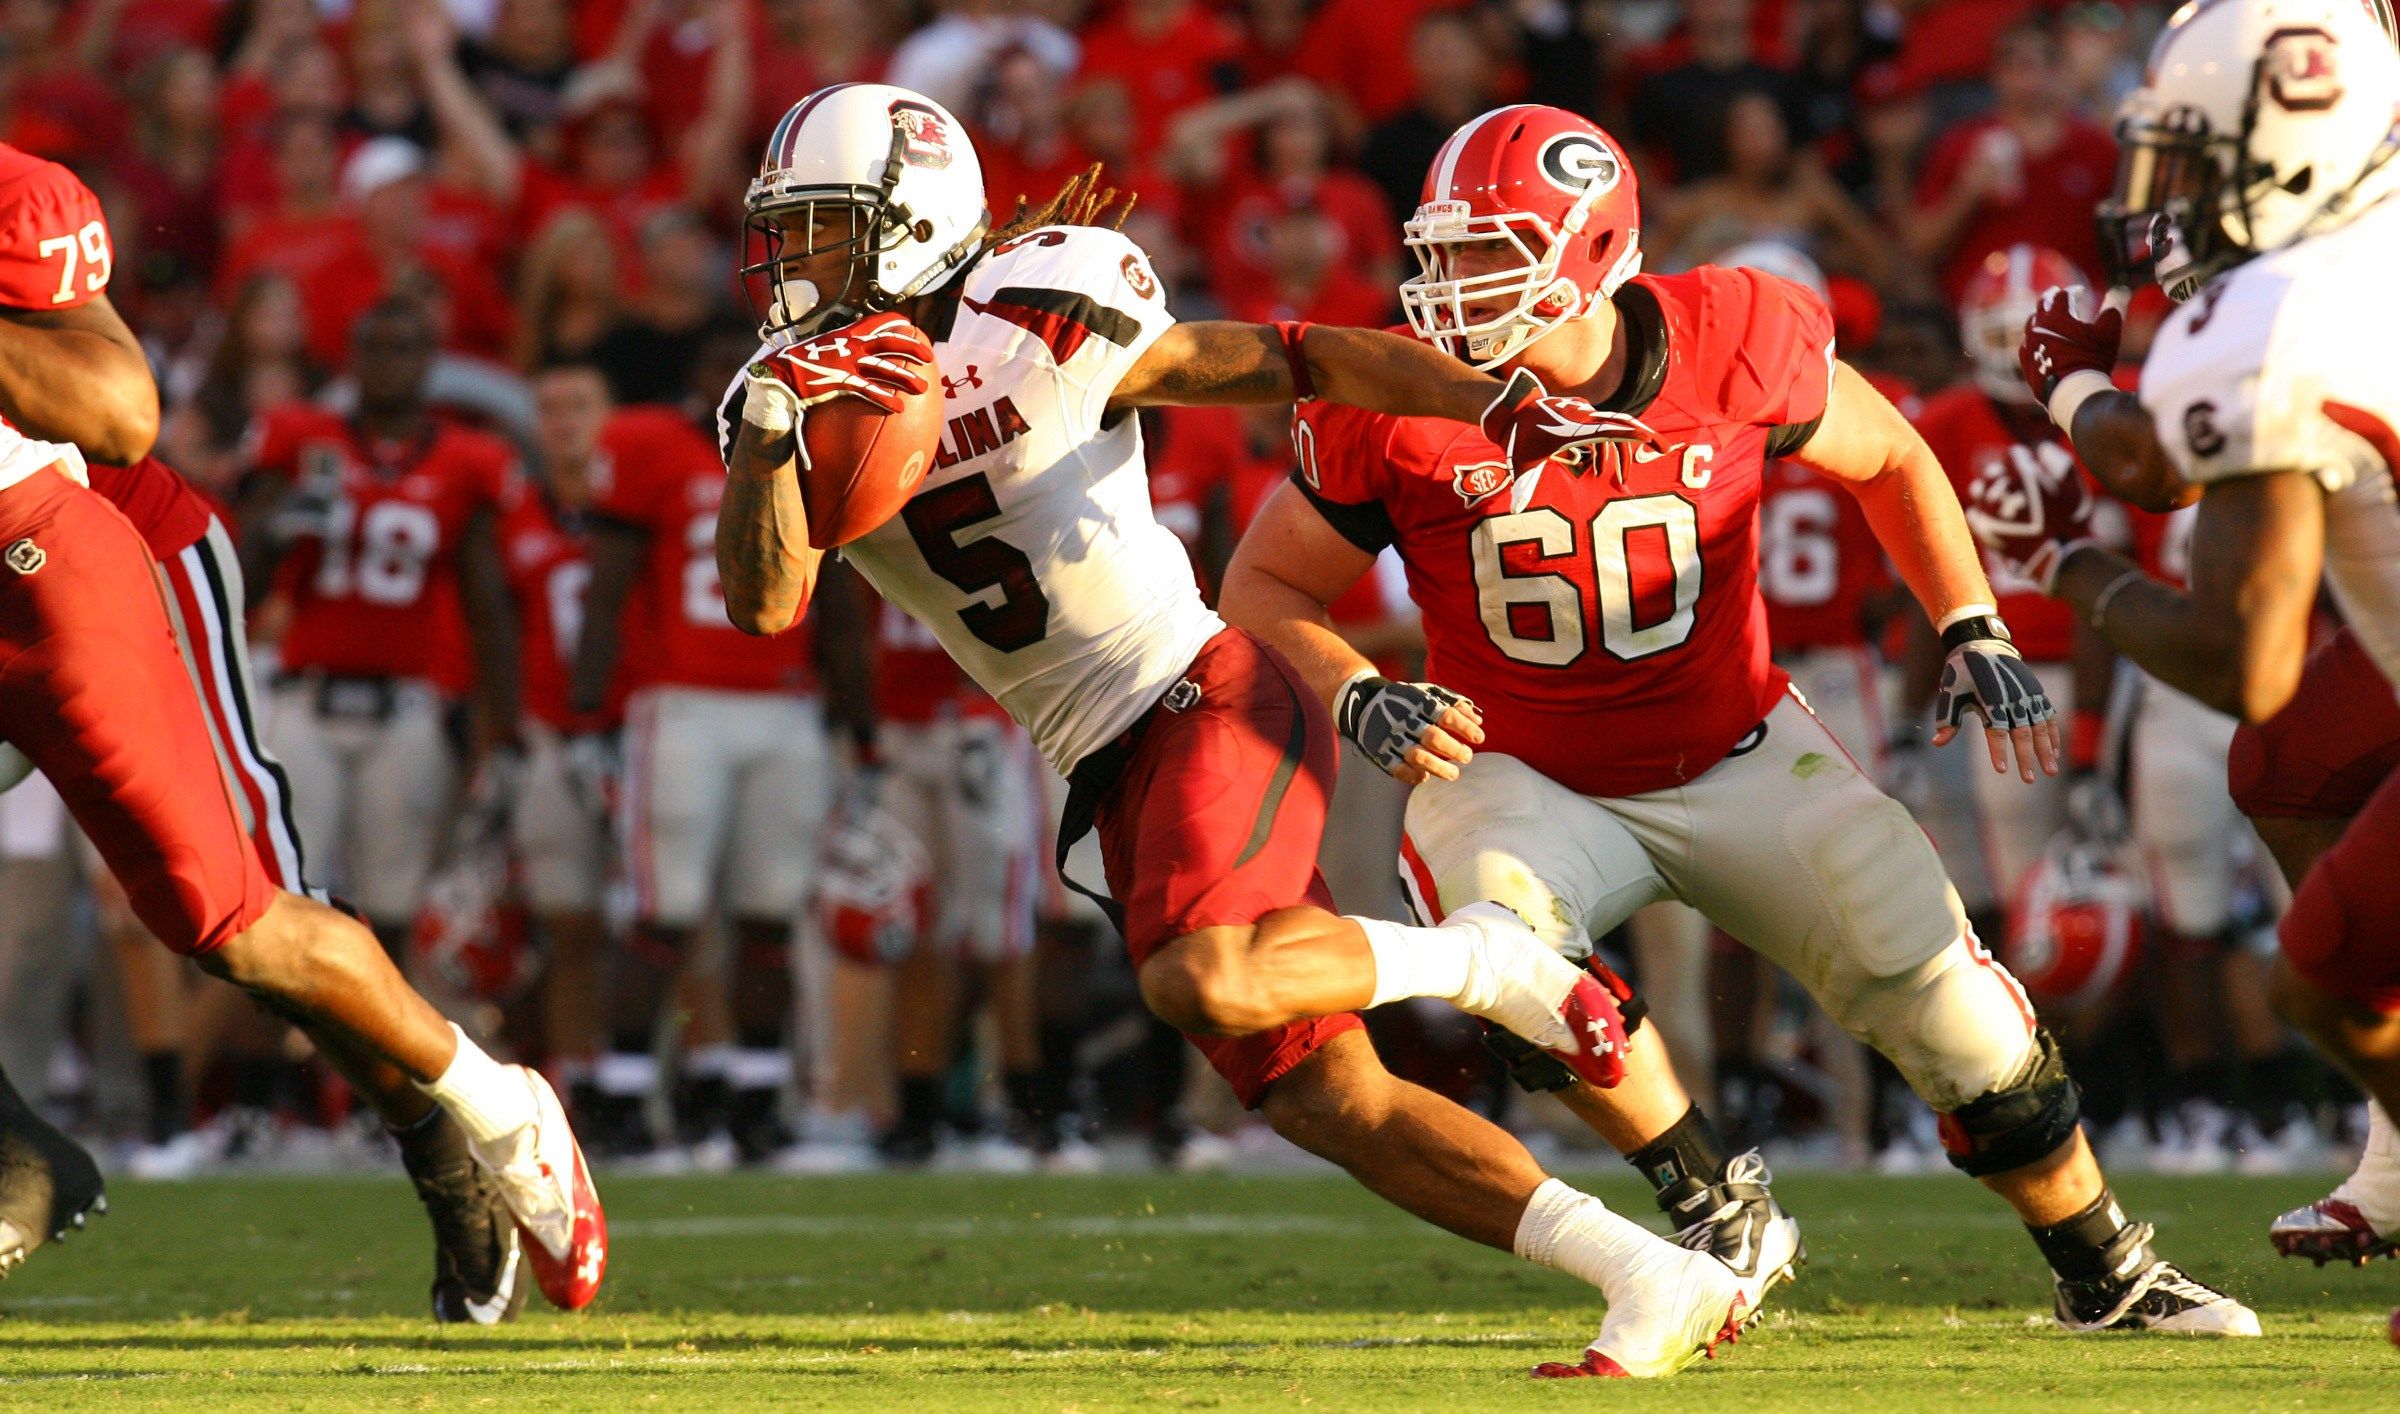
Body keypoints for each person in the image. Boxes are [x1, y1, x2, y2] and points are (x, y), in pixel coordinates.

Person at [718, 83, 1746, 1379]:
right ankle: (1649, 1271)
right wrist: (763, 445)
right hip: (1103, 760)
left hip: (1204, 690)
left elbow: (1301, 357)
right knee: (1334, 1100)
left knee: (1202, 974)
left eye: (818, 226)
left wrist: (1494, 410)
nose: (790, 259)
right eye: (786, 229)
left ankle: (1495, 961)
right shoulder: (799, 396)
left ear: (908, 220)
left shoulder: (1045, 311)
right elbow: (767, 604)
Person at [1216, 103, 2255, 1345]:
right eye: (1442, 253)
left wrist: (1970, 621)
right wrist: (1359, 687)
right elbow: (1262, 585)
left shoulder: (1740, 331)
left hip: (1736, 743)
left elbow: (1892, 459)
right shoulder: (1389, 393)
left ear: (1596, 251)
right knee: (1514, 955)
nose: (1452, 286)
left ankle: (2107, 1273)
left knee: (1953, 1001)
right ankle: (1714, 1207)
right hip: (1518, 767)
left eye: (1492, 251)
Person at [0, 141, 600, 1316]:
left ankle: (481, 1118)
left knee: (241, 922)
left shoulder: (18, 197)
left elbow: (121, 415)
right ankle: (19, 1161)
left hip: (90, 556)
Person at [1989, 0, 2400, 1270]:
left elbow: (2237, 648)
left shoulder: (2281, 312)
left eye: (2202, 151)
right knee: (2280, 764)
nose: (2168, 189)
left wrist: (2068, 561)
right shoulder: (2347, 243)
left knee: (2318, 976)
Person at [568, 323, 849, 1165]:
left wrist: (859, 726)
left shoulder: (816, 452)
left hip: (785, 707)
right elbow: (607, 587)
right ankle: (621, 1099)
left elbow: (839, 606)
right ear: (698, 375)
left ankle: (757, 1099)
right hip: (681, 707)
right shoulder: (650, 445)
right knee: (663, 916)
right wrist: (590, 715)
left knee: (769, 915)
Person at [240, 296, 520, 960]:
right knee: (282, 892)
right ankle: (270, 1061)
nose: (386, 364)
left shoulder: (465, 461)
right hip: (305, 696)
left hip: (407, 708)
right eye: (372, 348)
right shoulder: (304, 441)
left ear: (429, 363)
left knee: (390, 904)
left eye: (402, 349)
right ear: (350, 357)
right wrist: (276, 530)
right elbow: (242, 583)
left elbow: (489, 609)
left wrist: (503, 727)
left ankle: (368, 1057)